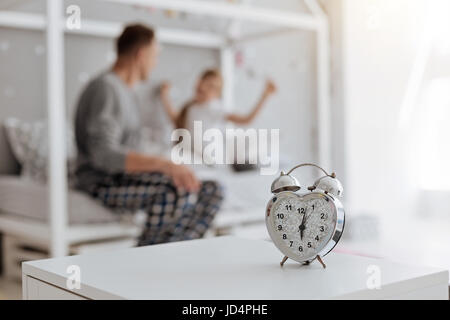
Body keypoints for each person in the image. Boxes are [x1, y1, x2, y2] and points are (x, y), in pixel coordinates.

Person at [74, 24, 223, 246]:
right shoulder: (106, 88)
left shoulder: (128, 91)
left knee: (212, 190)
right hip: (102, 180)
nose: (155, 64)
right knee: (173, 190)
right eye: (155, 57)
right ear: (141, 55)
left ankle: (175, 255)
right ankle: (142, 262)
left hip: (125, 177)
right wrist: (164, 165)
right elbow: (103, 154)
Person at [160, 69, 277, 133]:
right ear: (198, 83)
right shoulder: (191, 107)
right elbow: (176, 120)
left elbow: (246, 120)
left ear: (217, 94)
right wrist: (165, 96)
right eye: (204, 82)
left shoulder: (215, 108)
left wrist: (265, 96)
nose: (205, 87)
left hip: (209, 162)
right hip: (193, 160)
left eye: (211, 86)